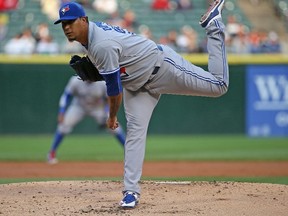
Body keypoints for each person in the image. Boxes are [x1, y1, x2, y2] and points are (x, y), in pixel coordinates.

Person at [54, 0, 229, 208]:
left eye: (70, 22)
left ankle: (213, 25)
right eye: (63, 24)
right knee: (135, 135)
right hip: (137, 87)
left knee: (219, 85)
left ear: (83, 20)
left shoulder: (100, 45)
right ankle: (130, 192)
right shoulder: (90, 39)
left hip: (162, 68)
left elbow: (114, 89)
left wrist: (111, 117)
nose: (66, 27)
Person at [47, 76, 126, 164]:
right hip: (78, 107)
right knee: (63, 125)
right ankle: (51, 153)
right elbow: (66, 95)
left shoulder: (102, 82)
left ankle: (128, 151)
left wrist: (108, 114)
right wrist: (62, 111)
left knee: (115, 127)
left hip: (97, 108)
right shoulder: (75, 81)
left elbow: (108, 100)